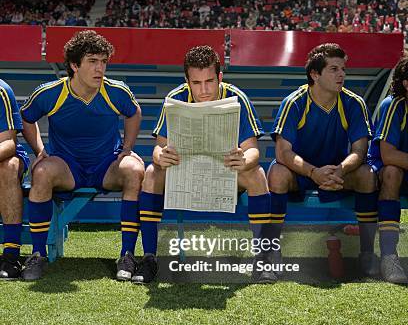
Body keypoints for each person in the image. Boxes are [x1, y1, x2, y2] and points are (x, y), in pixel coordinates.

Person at [138, 45, 271, 284]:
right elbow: (158, 148)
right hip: (185, 171)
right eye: (196, 83)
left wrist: (244, 160)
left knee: (257, 175)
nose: (204, 90)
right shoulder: (174, 98)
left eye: (209, 81)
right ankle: (149, 257)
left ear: (220, 77)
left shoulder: (236, 97)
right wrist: (160, 156)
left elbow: (253, 151)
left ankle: (262, 259)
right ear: (187, 80)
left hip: (226, 172)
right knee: (151, 173)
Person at [21, 30, 145, 281]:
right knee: (41, 171)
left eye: (103, 62)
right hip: (68, 167)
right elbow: (26, 117)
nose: (100, 69)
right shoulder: (50, 93)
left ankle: (128, 254)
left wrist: (127, 150)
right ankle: (37, 254)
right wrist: (39, 151)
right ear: (74, 65)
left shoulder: (116, 92)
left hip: (106, 164)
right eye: (92, 61)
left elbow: (134, 112)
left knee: (134, 169)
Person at [267, 43, 379, 281]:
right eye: (334, 69)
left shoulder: (353, 103)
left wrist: (340, 169)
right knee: (277, 173)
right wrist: (313, 172)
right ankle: (272, 252)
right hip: (302, 172)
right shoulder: (294, 102)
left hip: (338, 173)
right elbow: (283, 153)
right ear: (314, 74)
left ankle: (368, 253)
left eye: (343, 69)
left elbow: (360, 149)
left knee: (368, 173)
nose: (342, 75)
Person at [368, 56, 408, 283]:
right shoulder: (393, 104)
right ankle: (389, 256)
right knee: (393, 172)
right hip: (383, 169)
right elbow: (388, 155)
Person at [0, 80, 30, 280]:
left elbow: (8, 142)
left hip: (4, 156)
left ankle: (11, 254)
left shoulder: (1, 89)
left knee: (8, 167)